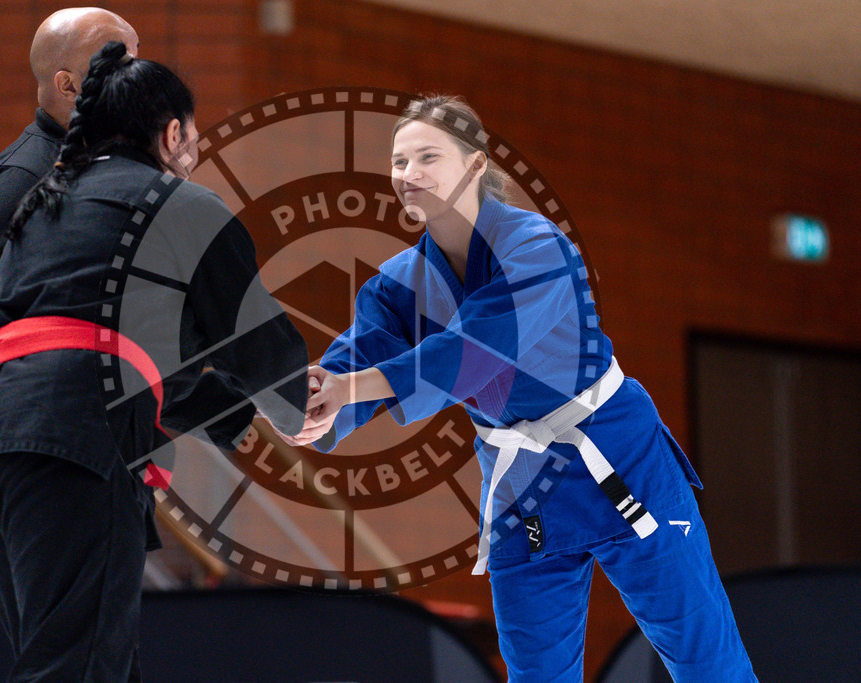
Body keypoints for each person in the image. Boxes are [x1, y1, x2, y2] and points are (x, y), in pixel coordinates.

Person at [299, 96, 756, 681]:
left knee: (706, 659)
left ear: (475, 165)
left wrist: (351, 387)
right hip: (523, 484)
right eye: (398, 161)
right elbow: (357, 359)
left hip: (617, 456)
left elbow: (476, 351)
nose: (408, 173)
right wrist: (311, 405)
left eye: (428, 157)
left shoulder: (537, 246)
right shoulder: (398, 285)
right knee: (536, 673)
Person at [0, 42, 310, 680]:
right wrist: (299, 409)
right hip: (73, 437)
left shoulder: (43, 205)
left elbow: (132, 353)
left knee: (83, 663)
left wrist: (236, 415)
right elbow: (258, 343)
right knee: (79, 669)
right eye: (194, 136)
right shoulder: (179, 203)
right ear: (172, 134)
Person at [0, 7, 139, 352]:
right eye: (120, 64)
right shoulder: (15, 182)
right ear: (68, 85)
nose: (140, 76)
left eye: (137, 57)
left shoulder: (116, 158)